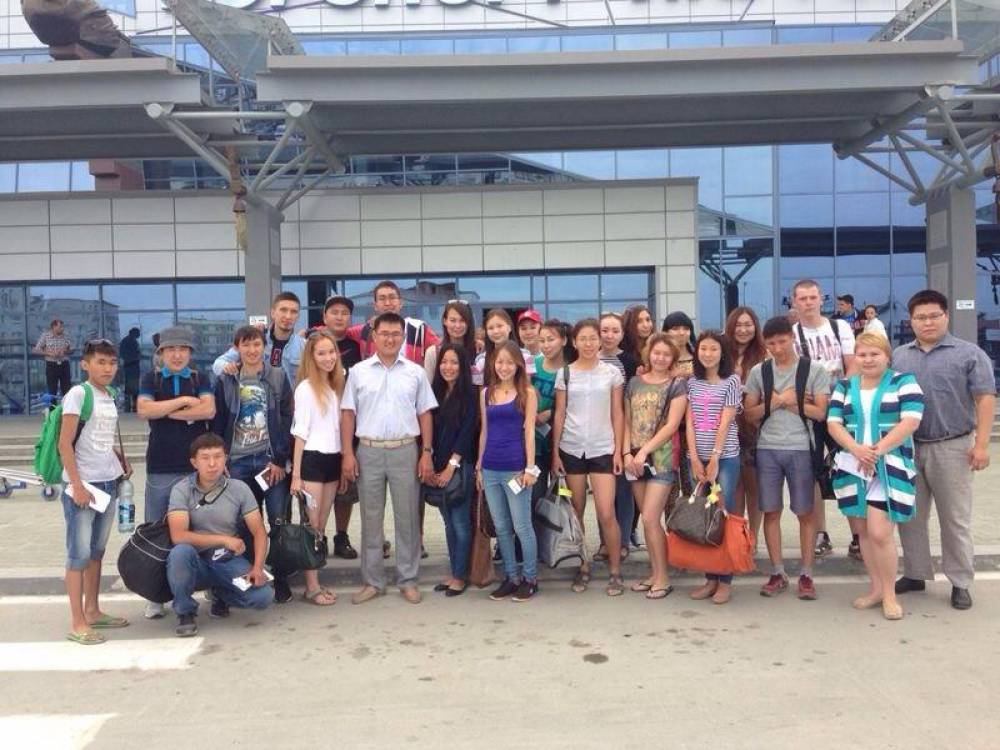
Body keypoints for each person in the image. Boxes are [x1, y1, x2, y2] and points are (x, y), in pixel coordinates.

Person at [892, 289, 996, 611]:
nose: (928, 322)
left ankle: (960, 581)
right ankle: (915, 573)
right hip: (909, 447)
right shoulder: (899, 356)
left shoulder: (969, 354)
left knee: (954, 519)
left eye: (934, 316)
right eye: (920, 317)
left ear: (946, 316)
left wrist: (981, 445)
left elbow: (985, 398)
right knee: (910, 516)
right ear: (911, 321)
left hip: (953, 446)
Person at [340, 312, 437, 605]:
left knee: (407, 518)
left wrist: (426, 453)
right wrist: (347, 453)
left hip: (405, 450)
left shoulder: (415, 372)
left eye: (396, 334)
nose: (390, 339)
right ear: (374, 336)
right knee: (371, 519)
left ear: (403, 337)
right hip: (367, 450)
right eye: (384, 333)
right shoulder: (358, 372)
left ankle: (408, 579)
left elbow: (425, 413)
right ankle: (373, 581)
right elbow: (348, 414)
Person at [827, 332, 924, 620]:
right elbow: (834, 423)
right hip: (853, 465)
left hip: (889, 467)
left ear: (887, 356)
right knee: (863, 532)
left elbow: (911, 421)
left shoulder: (903, 382)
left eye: (874, 354)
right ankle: (876, 589)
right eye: (862, 354)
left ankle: (890, 595)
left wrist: (875, 451)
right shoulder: (844, 386)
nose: (868, 360)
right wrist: (857, 450)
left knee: (880, 533)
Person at [744, 316, 830, 601]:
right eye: (771, 343)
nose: (777, 348)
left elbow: (821, 413)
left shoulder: (813, 370)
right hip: (767, 447)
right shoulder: (759, 372)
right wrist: (784, 400)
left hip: (802, 447)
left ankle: (806, 573)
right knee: (770, 511)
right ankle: (777, 571)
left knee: (805, 512)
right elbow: (749, 414)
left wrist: (780, 402)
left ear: (792, 338)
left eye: (782, 341)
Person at [136, 326, 214, 620]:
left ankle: (208, 585)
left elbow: (208, 411)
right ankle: (154, 596)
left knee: (202, 527)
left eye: (183, 349)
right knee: (156, 530)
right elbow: (144, 410)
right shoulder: (150, 378)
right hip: (160, 466)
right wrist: (184, 402)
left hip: (195, 468)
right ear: (161, 353)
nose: (177, 354)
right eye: (171, 349)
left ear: (190, 353)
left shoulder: (200, 378)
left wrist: (165, 411)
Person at [212, 324, 294, 603]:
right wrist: (221, 458)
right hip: (237, 462)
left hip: (270, 461)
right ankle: (247, 576)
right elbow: (218, 422)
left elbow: (287, 419)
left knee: (278, 520)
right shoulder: (227, 380)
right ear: (237, 348)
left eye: (256, 344)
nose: (251, 350)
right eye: (245, 345)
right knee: (243, 523)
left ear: (264, 347)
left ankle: (280, 578)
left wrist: (280, 459)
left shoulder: (278, 376)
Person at [57, 338, 130, 645]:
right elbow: (64, 443)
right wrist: (76, 485)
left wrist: (118, 457)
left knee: (96, 553)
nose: (107, 368)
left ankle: (93, 610)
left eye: (112, 363)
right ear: (85, 365)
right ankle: (77, 622)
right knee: (78, 555)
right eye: (100, 362)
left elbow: (98, 437)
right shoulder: (78, 394)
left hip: (108, 482)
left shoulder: (109, 395)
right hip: (84, 486)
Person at [165, 433, 274, 637]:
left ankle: (221, 593)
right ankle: (185, 611)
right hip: (195, 559)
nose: (212, 464)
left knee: (263, 597)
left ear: (226, 459)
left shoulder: (239, 489)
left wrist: (258, 568)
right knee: (179, 553)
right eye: (205, 458)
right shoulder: (181, 489)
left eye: (218, 456)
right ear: (194, 462)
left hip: (226, 559)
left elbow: (259, 531)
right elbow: (178, 535)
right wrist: (223, 539)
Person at [552, 318, 626, 596]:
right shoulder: (565, 373)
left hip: (603, 447)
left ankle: (615, 571)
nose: (588, 343)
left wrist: (618, 450)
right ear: (574, 342)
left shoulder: (612, 373)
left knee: (606, 513)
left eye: (593, 338)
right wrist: (555, 452)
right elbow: (560, 413)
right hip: (571, 447)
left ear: (599, 341)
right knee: (577, 511)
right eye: (582, 338)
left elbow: (617, 412)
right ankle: (582, 566)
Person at [791, 278, 857, 559]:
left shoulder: (839, 327)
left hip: (840, 410)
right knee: (812, 474)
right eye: (802, 298)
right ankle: (821, 533)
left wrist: (839, 397)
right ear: (794, 302)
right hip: (809, 412)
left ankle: (857, 535)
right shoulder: (791, 334)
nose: (808, 303)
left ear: (821, 299)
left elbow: (852, 365)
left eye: (812, 297)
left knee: (850, 469)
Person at [623, 334, 687, 599]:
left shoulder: (677, 385)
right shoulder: (634, 383)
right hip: (634, 460)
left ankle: (663, 578)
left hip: (661, 459)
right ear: (649, 353)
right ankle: (654, 573)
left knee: (650, 518)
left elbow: (672, 425)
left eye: (666, 354)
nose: (660, 358)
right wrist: (626, 453)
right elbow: (626, 421)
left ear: (673, 358)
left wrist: (644, 451)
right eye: (656, 352)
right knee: (648, 521)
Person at [477, 341, 540, 601]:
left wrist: (529, 468)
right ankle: (511, 577)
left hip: (516, 469)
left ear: (518, 365)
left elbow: (530, 432)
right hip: (490, 469)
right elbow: (484, 431)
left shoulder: (527, 393)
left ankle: (530, 578)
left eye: (509, 362)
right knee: (502, 527)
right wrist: (479, 465)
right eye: (499, 362)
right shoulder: (486, 393)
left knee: (522, 527)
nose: (504, 367)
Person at [290, 329, 346, 607]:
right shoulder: (305, 388)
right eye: (321, 353)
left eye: (331, 352)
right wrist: (296, 475)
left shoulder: (336, 386)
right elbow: (300, 433)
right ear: (311, 357)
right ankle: (311, 587)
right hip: (312, 461)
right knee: (311, 526)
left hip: (333, 461)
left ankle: (315, 582)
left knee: (321, 525)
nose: (328, 358)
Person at [685, 330, 742, 605]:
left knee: (722, 516)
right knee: (704, 518)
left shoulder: (732, 381)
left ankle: (725, 580)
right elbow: (689, 422)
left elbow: (726, 421)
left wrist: (715, 458)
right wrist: (695, 458)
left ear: (722, 353)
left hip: (725, 459)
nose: (708, 354)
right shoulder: (691, 382)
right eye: (703, 349)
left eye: (714, 349)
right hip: (697, 460)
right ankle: (710, 578)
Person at [428, 344, 478, 597]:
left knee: (460, 522)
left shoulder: (470, 394)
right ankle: (454, 571)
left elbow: (467, 433)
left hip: (460, 466)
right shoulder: (435, 392)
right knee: (448, 522)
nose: (448, 367)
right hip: (438, 465)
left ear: (463, 367)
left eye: (454, 362)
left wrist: (451, 465)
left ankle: (460, 576)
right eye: (444, 362)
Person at [316, 295, 362, 560]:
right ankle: (317, 537)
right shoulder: (312, 344)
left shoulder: (357, 348)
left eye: (344, 313)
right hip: (318, 431)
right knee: (318, 489)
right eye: (334, 312)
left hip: (348, 427)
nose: (339, 316)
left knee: (345, 490)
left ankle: (341, 536)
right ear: (324, 316)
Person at [595, 311, 638, 563]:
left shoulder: (629, 361)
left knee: (623, 490)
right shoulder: (590, 358)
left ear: (622, 334)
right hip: (596, 434)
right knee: (603, 493)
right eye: (605, 330)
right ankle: (605, 541)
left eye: (615, 331)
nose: (609, 335)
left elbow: (631, 402)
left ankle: (622, 542)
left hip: (622, 432)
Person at [726, 306, 766, 548]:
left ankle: (753, 538)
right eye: (738, 325)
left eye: (748, 325)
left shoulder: (764, 356)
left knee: (755, 488)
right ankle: (737, 538)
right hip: (727, 429)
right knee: (734, 488)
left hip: (755, 429)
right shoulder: (722, 353)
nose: (743, 330)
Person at [213, 292, 305, 387]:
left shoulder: (304, 346)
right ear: (273, 313)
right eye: (283, 310)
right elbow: (217, 364)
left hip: (289, 396)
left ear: (298, 316)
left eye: (293, 312)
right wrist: (228, 367)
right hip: (256, 395)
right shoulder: (255, 341)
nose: (288, 316)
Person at [347, 280, 440, 365]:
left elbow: (441, 350)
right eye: (382, 298)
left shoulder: (418, 330)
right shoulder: (365, 330)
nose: (387, 303)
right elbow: (341, 333)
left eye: (392, 297)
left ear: (400, 303)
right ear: (375, 305)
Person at [530, 319, 568, 503]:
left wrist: (550, 413)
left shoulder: (571, 369)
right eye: (542, 340)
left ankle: (569, 523)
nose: (545, 345)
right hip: (535, 444)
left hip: (563, 445)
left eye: (550, 339)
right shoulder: (531, 366)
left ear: (564, 340)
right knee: (536, 495)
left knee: (564, 495)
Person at [472, 308, 535, 388]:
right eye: (491, 328)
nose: (496, 331)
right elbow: (481, 392)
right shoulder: (481, 360)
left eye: (500, 326)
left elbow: (527, 387)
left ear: (509, 327)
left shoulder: (526, 356)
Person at [423, 299, 477, 381]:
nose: (457, 325)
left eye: (462, 320)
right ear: (445, 321)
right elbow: (428, 387)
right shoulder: (433, 353)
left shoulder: (478, 351)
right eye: (452, 320)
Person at [33, 318, 73, 405]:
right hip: (51, 365)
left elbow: (72, 350)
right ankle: (53, 410)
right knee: (52, 389)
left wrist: (64, 352)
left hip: (64, 364)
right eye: (60, 327)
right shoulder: (46, 336)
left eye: (62, 327)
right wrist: (49, 353)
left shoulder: (66, 335)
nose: (62, 329)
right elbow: (36, 350)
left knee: (66, 389)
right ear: (54, 327)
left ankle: (67, 408)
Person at [661, 311, 696, 376]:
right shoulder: (659, 358)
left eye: (686, 328)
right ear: (666, 332)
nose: (681, 333)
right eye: (675, 329)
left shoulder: (699, 357)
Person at [622, 304, 655, 368]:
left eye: (648, 320)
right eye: (639, 321)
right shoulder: (622, 351)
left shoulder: (657, 345)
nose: (645, 325)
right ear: (629, 324)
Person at [118, 327, 141, 413]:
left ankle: (132, 407)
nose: (139, 335)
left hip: (132, 367)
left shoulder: (132, 341)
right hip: (131, 368)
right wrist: (135, 358)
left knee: (133, 388)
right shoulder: (128, 341)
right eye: (138, 333)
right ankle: (131, 407)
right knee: (132, 388)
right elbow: (124, 354)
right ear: (134, 333)